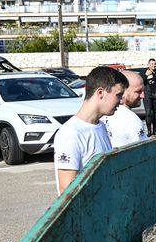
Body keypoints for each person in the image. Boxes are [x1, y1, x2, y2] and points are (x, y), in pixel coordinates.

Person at [54, 66, 127, 194]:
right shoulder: (71, 133)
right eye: (118, 95)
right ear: (100, 93)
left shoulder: (101, 126)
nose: (121, 101)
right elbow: (67, 190)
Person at [102, 70, 148, 147]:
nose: (143, 96)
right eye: (138, 91)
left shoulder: (102, 113)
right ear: (123, 91)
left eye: (143, 91)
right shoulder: (132, 121)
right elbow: (144, 151)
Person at [142, 58, 156, 136]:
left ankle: (155, 131)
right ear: (148, 64)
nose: (154, 65)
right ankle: (149, 131)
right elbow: (140, 81)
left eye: (155, 64)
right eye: (152, 64)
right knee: (148, 113)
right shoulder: (144, 72)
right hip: (147, 95)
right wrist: (146, 75)